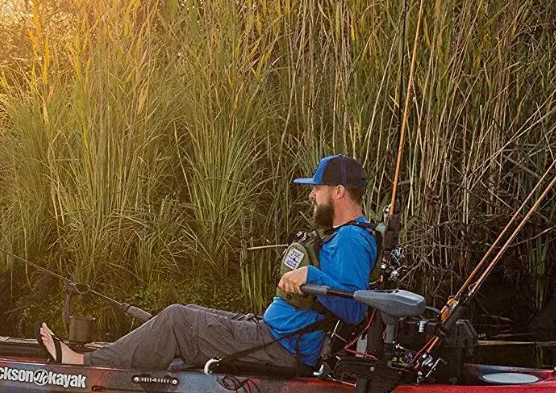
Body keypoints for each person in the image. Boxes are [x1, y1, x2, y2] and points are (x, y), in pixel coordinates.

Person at [38, 154, 379, 372]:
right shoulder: (343, 235)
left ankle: (81, 363)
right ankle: (124, 355)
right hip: (274, 333)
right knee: (185, 312)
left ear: (338, 191)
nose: (311, 195)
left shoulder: (352, 239)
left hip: (282, 347)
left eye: (317, 188)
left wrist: (311, 273)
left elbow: (354, 310)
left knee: (177, 320)